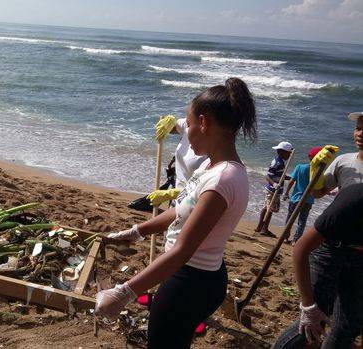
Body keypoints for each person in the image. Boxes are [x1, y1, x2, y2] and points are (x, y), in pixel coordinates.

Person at [97, 77, 256, 348]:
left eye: (189, 123)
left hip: (191, 281)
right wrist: (137, 232)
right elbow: (180, 209)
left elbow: (183, 250)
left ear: (204, 123)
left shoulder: (222, 180)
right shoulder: (212, 167)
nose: (186, 132)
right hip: (196, 275)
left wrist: (125, 293)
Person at [272, 183, 363, 349]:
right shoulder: (356, 197)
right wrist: (308, 305)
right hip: (331, 249)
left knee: (349, 325)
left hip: (359, 258)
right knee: (313, 322)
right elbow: (301, 248)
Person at [312, 112, 363, 198]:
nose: (360, 134)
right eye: (358, 128)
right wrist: (315, 169)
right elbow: (317, 193)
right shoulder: (342, 161)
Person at [283, 146, 322, 244]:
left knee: (290, 218)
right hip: (308, 200)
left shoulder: (300, 167)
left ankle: (285, 237)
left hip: (296, 198)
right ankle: (296, 240)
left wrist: (286, 193)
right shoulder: (318, 172)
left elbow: (292, 181)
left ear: (309, 156)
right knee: (302, 221)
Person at [255, 141, 293, 237]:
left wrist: (289, 178)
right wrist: (274, 184)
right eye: (288, 153)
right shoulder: (277, 163)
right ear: (281, 152)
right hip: (272, 190)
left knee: (267, 207)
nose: (289, 155)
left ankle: (260, 226)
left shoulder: (280, 162)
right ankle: (264, 229)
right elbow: (268, 176)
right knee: (270, 209)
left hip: (274, 189)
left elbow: (279, 175)